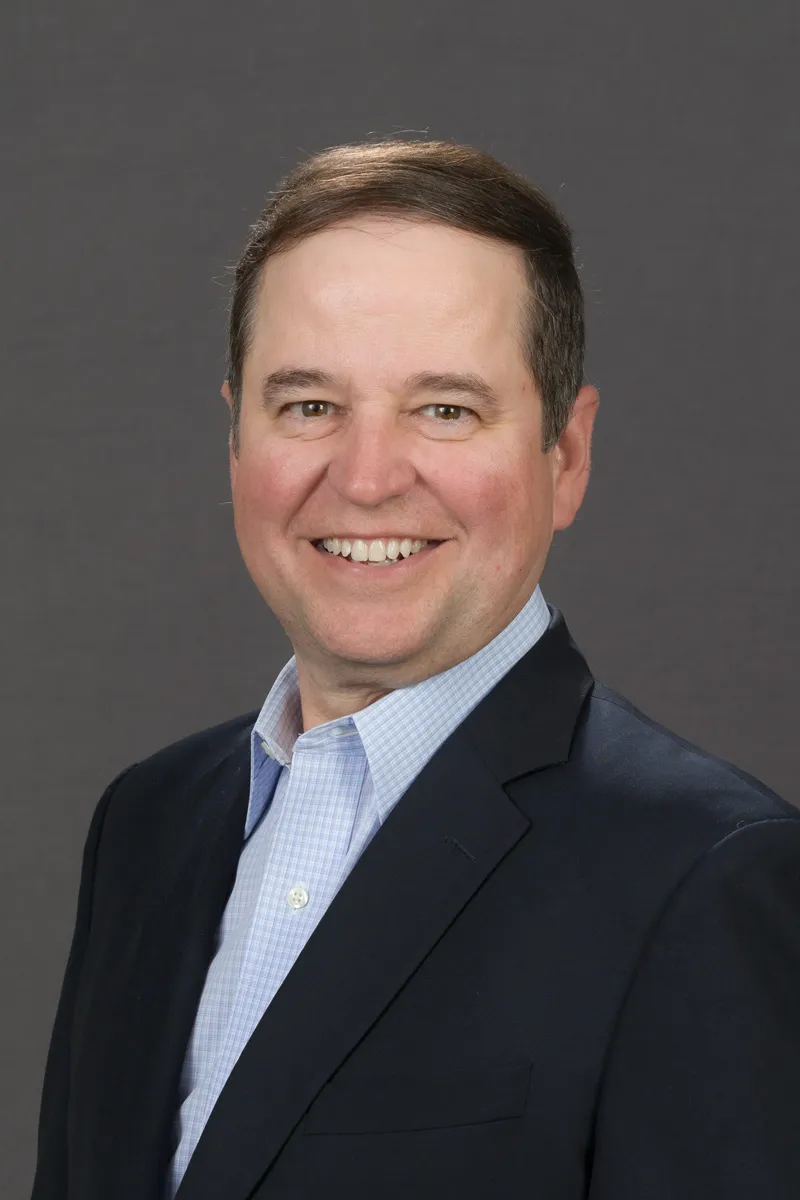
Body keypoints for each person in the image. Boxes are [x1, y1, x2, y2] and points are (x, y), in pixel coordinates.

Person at [32, 138, 800, 1200]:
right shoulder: (146, 826)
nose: (365, 476)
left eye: (445, 408)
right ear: (235, 441)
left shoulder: (705, 874)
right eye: (308, 405)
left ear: (563, 455)